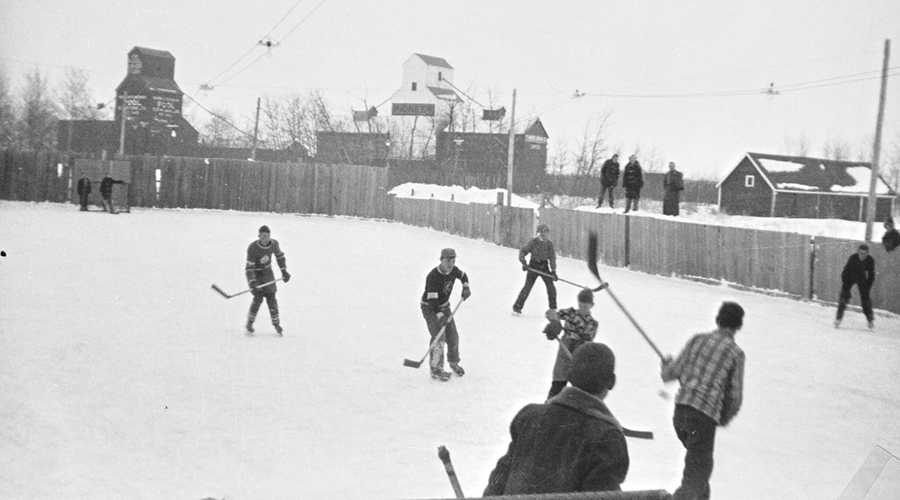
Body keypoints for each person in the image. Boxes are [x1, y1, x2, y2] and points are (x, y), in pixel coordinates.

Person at [484, 342, 629, 495]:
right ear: (612, 382)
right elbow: (602, 495)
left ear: (569, 375)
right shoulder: (607, 438)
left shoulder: (530, 416)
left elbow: (499, 479)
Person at [660, 301, 746, 500]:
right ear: (738, 326)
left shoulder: (697, 339)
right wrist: (722, 418)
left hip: (680, 414)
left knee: (699, 472)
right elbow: (735, 397)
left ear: (718, 320)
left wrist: (666, 365)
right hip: (703, 418)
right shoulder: (736, 353)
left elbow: (669, 374)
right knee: (696, 475)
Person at [421, 248, 471, 381]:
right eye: (448, 261)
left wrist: (466, 287)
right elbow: (432, 301)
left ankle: (454, 362)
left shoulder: (454, 270)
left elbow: (463, 275)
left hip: (445, 307)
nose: (450, 264)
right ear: (441, 260)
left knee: (453, 335)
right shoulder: (433, 277)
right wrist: (440, 316)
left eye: (453, 261)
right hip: (430, 308)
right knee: (439, 337)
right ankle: (436, 368)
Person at [543, 288, 598, 399]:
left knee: (578, 388)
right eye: (580, 305)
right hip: (564, 351)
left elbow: (587, 341)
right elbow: (551, 313)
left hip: (579, 354)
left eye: (585, 307)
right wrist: (556, 323)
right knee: (558, 383)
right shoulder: (571, 313)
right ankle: (550, 406)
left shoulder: (592, 323)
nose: (582, 309)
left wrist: (580, 354)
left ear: (592, 305)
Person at [245, 225, 291, 336]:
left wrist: (284, 271)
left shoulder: (274, 244)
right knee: (258, 298)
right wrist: (252, 282)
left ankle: (276, 324)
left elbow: (280, 257)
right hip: (256, 274)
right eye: (264, 236)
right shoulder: (252, 247)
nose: (266, 239)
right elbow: (249, 268)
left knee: (272, 298)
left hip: (267, 273)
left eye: (268, 236)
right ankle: (249, 323)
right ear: (259, 236)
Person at [512, 223, 557, 314]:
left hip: (544, 266)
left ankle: (553, 309)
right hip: (534, 266)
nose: (543, 234)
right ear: (538, 233)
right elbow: (523, 251)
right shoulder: (533, 242)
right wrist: (524, 262)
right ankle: (517, 307)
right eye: (541, 232)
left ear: (548, 233)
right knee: (527, 287)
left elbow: (552, 258)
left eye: (545, 232)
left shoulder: (549, 245)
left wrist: (553, 271)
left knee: (551, 288)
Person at [835, 244, 876, 330]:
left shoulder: (870, 260)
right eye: (861, 253)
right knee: (844, 296)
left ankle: (870, 320)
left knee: (865, 298)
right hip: (851, 276)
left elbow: (871, 275)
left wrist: (867, 287)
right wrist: (845, 284)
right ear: (858, 252)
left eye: (865, 254)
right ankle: (838, 319)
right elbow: (845, 271)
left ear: (868, 253)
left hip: (861, 277)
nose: (862, 256)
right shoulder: (853, 258)